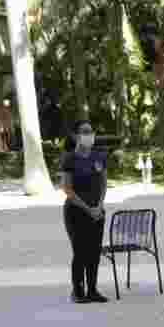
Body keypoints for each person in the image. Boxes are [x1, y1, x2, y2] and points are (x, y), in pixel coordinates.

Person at [60, 119, 109, 303]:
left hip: (97, 212)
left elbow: (103, 183)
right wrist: (88, 208)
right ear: (76, 136)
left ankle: (93, 290)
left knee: (95, 252)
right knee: (80, 251)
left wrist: (99, 205)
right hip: (76, 212)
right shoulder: (69, 158)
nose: (89, 135)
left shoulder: (100, 156)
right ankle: (78, 291)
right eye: (84, 131)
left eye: (91, 131)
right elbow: (67, 188)